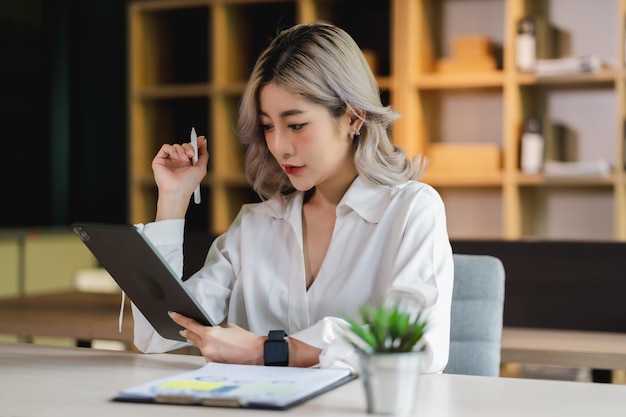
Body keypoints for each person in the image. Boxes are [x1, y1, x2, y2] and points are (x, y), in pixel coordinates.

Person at [132, 21, 454, 373]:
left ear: (353, 116)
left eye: (296, 125)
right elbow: (155, 336)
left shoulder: (412, 211)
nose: (279, 147)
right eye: (268, 126)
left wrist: (266, 350)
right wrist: (173, 199)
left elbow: (416, 347)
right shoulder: (255, 225)